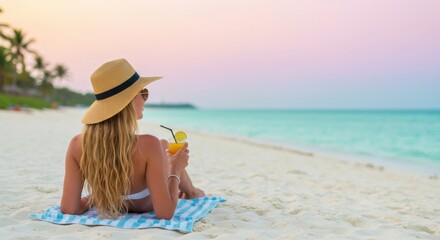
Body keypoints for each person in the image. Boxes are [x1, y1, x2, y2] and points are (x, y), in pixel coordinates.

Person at [60, 58, 205, 219]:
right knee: (164, 146)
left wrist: (93, 198)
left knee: (163, 145)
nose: (144, 99)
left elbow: (69, 208)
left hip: (111, 203)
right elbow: (165, 213)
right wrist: (176, 168)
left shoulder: (76, 145)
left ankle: (191, 190)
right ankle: (191, 192)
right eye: (143, 93)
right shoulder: (149, 144)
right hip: (145, 205)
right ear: (128, 101)